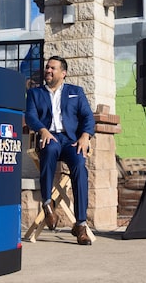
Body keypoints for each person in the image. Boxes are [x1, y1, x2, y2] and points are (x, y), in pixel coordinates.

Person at [25, 55, 95, 245]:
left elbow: (88, 117)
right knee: (49, 147)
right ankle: (48, 204)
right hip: (49, 136)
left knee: (80, 165)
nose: (48, 70)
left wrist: (85, 136)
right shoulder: (35, 93)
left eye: (52, 68)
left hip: (72, 141)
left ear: (63, 73)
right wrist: (43, 130)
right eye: (47, 67)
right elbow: (30, 116)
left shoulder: (76, 92)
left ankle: (80, 225)